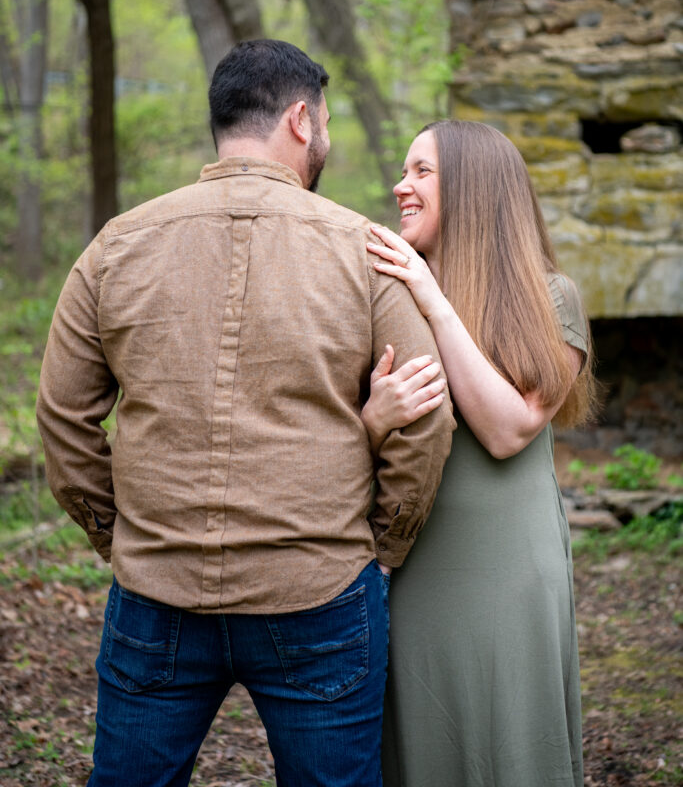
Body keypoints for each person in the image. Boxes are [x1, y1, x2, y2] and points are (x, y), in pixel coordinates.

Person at [36, 40, 455, 787]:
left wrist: (120, 536)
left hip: (155, 592)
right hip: (319, 589)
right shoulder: (365, 251)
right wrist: (377, 544)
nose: (322, 136)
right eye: (322, 122)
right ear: (301, 120)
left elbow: (64, 419)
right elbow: (425, 414)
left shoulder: (114, 248)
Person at [360, 120, 598, 787]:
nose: (399, 186)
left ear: (472, 188)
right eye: (404, 171)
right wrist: (372, 418)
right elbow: (339, 445)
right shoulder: (386, 296)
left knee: (509, 747)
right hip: (409, 567)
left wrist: (433, 300)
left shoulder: (550, 298)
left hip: (507, 571)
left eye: (421, 172)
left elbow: (506, 430)